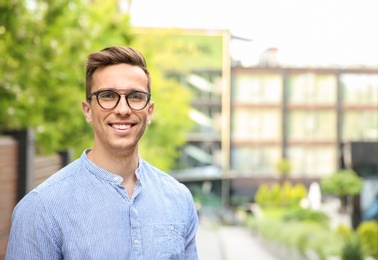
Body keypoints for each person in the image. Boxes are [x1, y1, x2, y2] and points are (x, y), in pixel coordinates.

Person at [6, 46, 199, 260]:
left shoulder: (179, 199)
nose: (123, 109)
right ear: (87, 110)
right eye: (107, 96)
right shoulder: (41, 209)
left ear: (149, 111)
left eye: (135, 96)